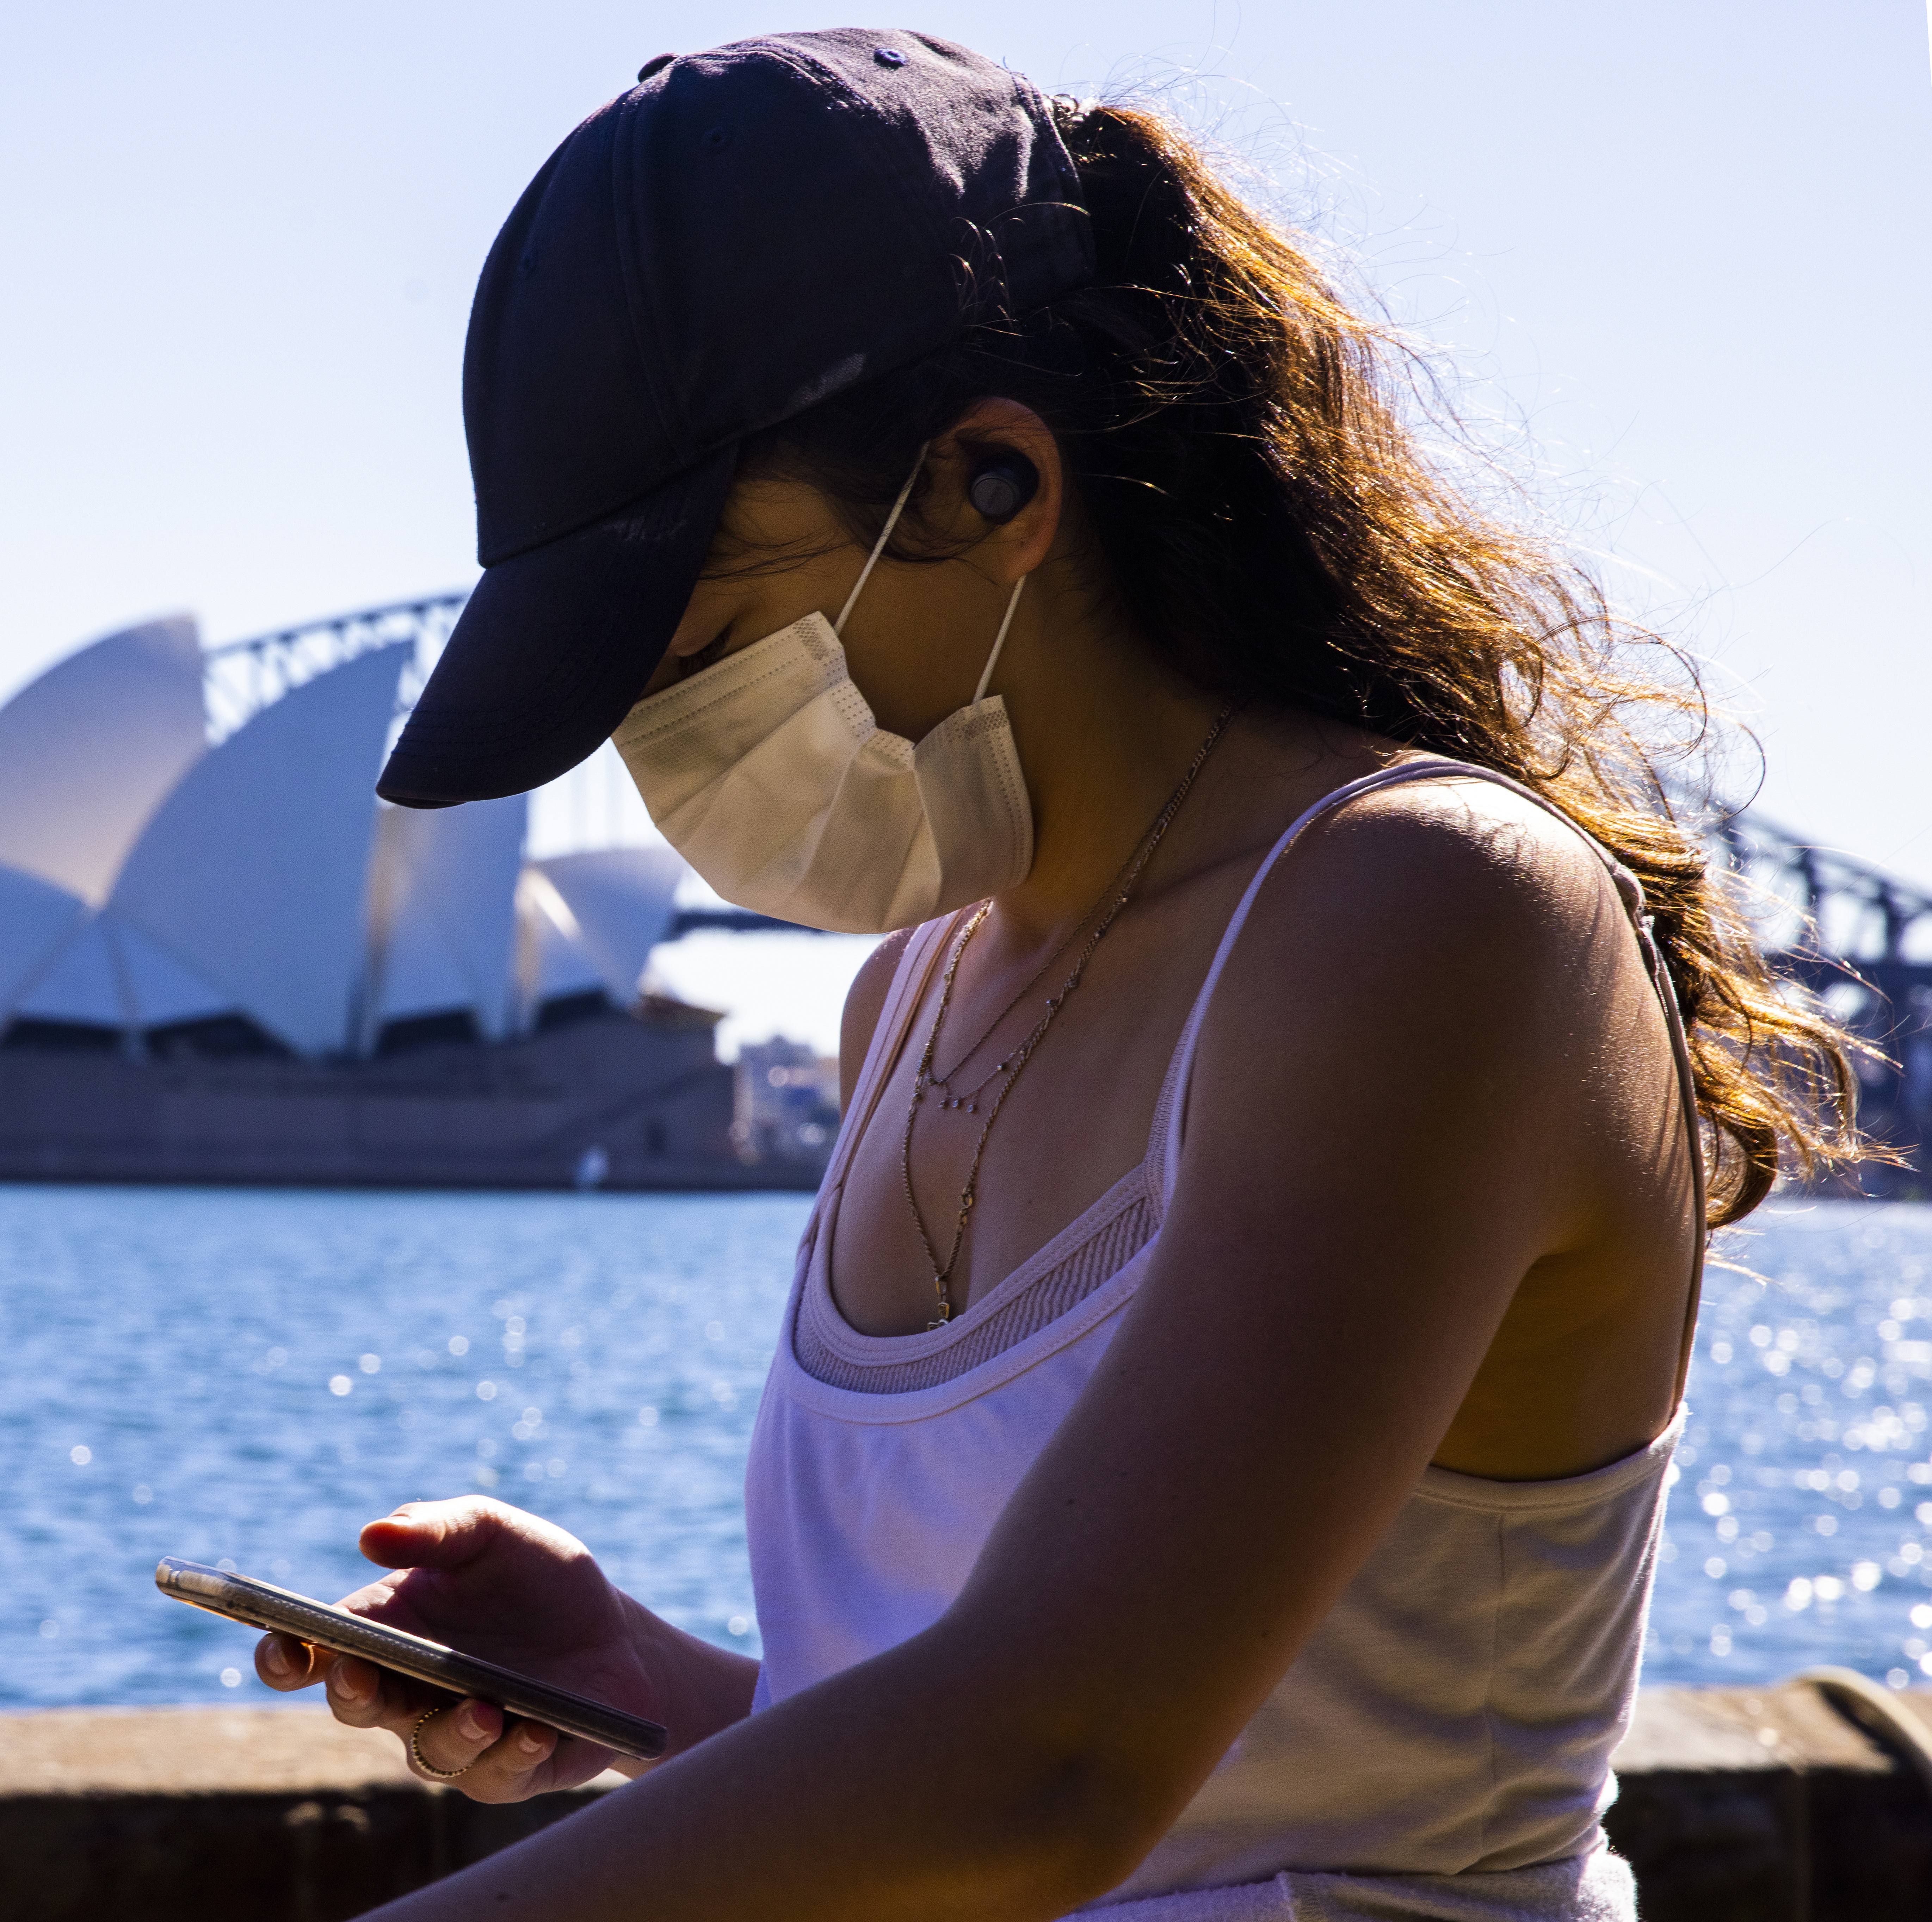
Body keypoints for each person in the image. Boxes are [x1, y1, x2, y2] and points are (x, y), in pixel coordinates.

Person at [258, 30, 1858, 1920]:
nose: (655, 752)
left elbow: (1060, 1769)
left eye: (695, 648)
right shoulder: (912, 998)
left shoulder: (1423, 917)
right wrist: (651, 1685)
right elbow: (1045, 1740)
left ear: (995, 486)